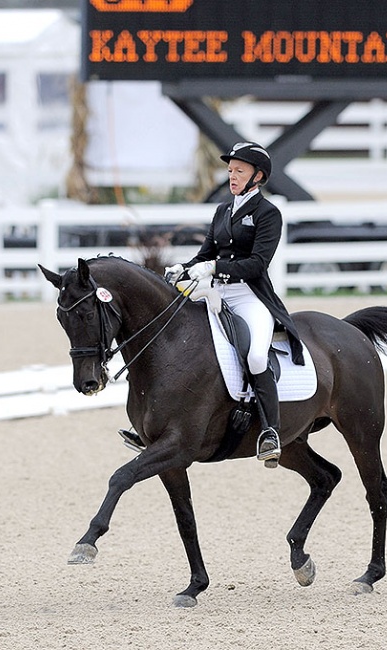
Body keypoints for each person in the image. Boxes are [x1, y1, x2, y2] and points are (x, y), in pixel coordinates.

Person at [165, 142, 305, 466]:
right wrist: (183, 268)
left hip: (249, 296)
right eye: (230, 170)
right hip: (215, 294)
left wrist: (215, 268)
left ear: (258, 176)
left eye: (239, 171)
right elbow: (205, 254)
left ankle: (271, 431)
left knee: (256, 355)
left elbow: (258, 263)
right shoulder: (222, 211)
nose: (232, 176)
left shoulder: (268, 214)